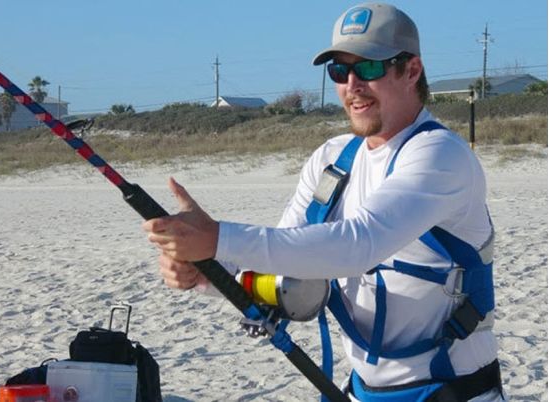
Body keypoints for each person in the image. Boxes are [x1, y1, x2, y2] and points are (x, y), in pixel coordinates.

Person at [143, 3, 505, 401]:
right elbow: (285, 269)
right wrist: (206, 272)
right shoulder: (333, 160)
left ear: (412, 70)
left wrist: (216, 238)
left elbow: (358, 245)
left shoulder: (441, 154)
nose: (352, 84)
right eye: (339, 71)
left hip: (457, 392)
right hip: (363, 391)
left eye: (369, 67)